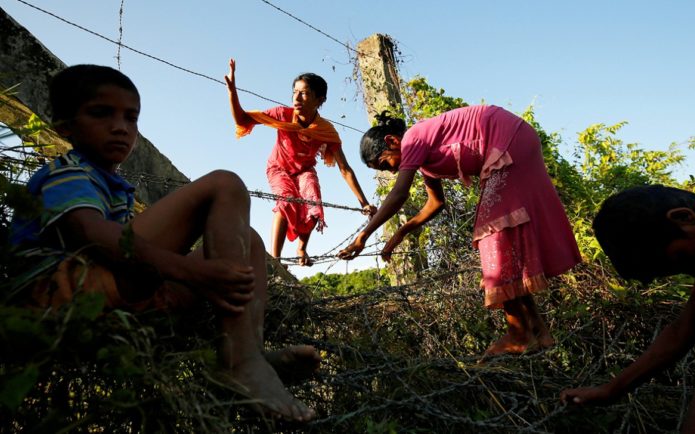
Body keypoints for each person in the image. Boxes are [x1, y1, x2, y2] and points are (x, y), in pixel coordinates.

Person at [8, 64, 319, 421]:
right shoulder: (67, 172)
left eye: (131, 118)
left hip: (114, 304)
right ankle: (240, 362)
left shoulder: (114, 187)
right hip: (56, 301)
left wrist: (195, 272)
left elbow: (127, 251)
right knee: (224, 184)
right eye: (101, 113)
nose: (120, 127)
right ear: (65, 127)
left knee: (248, 240)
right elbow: (93, 236)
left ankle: (250, 350)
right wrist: (191, 271)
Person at [338, 106, 582, 356]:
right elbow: (435, 203)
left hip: (507, 140)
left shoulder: (413, 138)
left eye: (385, 164)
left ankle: (518, 334)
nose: (391, 172)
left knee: (492, 235)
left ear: (391, 140)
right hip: (515, 140)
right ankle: (540, 333)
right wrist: (402, 232)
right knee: (503, 239)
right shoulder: (424, 159)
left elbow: (399, 194)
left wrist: (363, 237)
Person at [560, 171, 695, 433]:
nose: (694, 273)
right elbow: (685, 328)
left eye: (682, 261)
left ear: (684, 217)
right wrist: (612, 390)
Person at [225, 59, 376, 266]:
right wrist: (233, 91)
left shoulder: (325, 130)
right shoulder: (283, 115)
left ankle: (302, 249)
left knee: (314, 201)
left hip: (304, 170)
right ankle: (274, 262)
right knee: (287, 201)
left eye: (304, 93)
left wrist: (364, 203)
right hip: (279, 168)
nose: (296, 97)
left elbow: (345, 169)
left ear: (319, 99)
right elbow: (242, 120)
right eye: (294, 92)